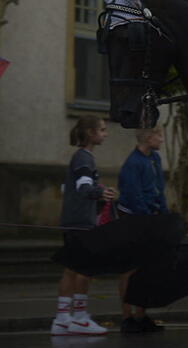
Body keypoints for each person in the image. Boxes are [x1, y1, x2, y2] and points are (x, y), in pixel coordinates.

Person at [51, 116, 117, 336]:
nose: (106, 134)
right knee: (84, 270)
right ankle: (79, 317)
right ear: (91, 133)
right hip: (81, 223)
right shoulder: (84, 158)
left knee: (71, 269)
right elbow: (83, 188)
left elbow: (67, 188)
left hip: (73, 220)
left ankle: (62, 318)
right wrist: (101, 192)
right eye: (103, 130)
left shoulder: (79, 158)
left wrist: (97, 193)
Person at [117, 126, 167, 333]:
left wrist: (163, 213)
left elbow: (159, 189)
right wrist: (147, 216)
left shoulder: (154, 159)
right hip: (134, 219)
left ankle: (141, 314)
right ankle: (127, 316)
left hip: (151, 217)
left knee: (146, 269)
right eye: (159, 136)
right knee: (130, 268)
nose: (161, 140)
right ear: (148, 137)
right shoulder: (133, 163)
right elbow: (132, 194)